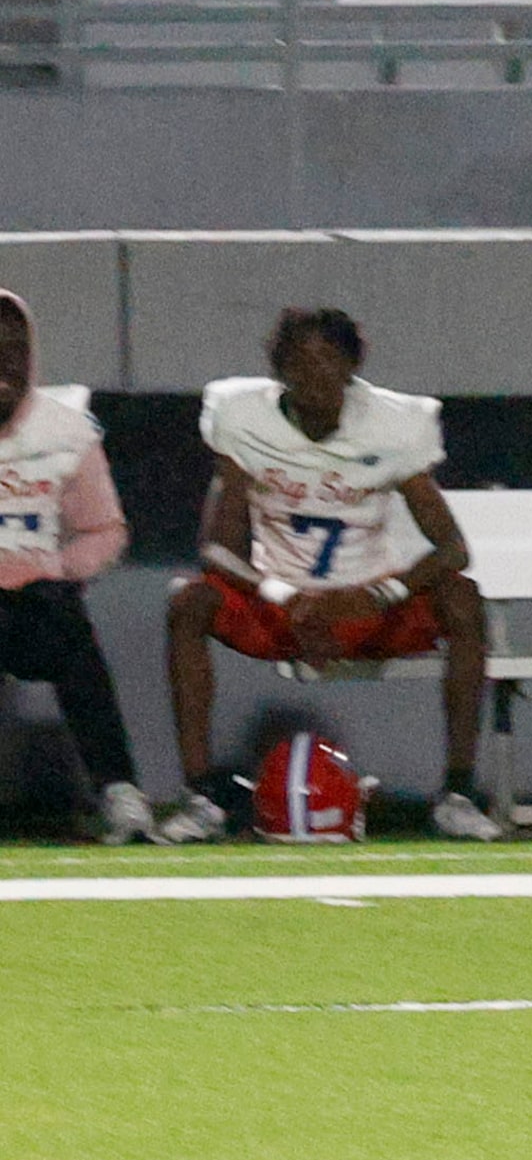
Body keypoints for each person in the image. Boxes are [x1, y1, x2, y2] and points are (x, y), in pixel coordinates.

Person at [152, 308, 503, 845]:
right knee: (189, 602)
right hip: (278, 607)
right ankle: (201, 796)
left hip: (369, 610)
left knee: (463, 601)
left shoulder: (390, 425)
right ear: (279, 370)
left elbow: (452, 549)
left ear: (351, 366)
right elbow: (218, 550)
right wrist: (281, 593)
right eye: (298, 361)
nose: (314, 374)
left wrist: (377, 594)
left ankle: (458, 793)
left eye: (328, 360)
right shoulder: (243, 419)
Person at [0, 290, 154, 842]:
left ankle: (119, 789)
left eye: (15, 350)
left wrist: (56, 567)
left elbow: (106, 529)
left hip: (35, 595)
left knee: (70, 630)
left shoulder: (65, 429)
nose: (5, 363)